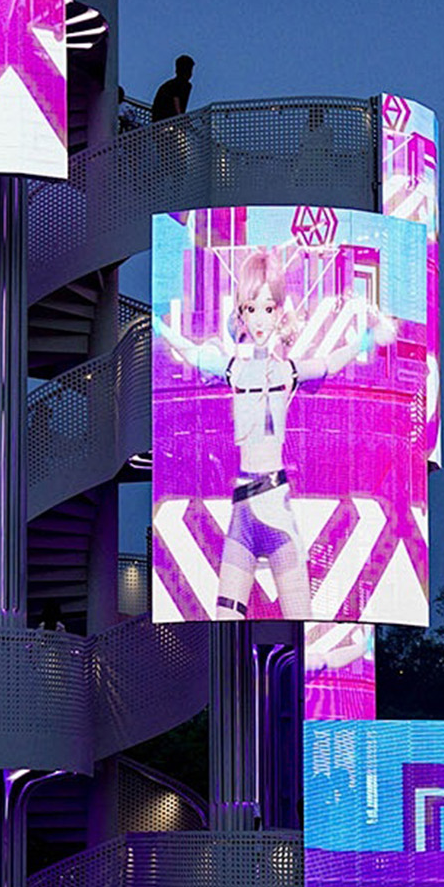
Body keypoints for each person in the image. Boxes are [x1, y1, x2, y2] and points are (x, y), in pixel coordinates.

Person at [154, 247, 396, 622]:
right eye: (251, 308)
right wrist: (161, 328)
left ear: (280, 310)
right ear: (241, 312)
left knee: (300, 617)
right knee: (225, 621)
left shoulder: (287, 371)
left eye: (268, 308)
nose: (260, 318)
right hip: (243, 508)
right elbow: (194, 354)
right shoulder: (234, 369)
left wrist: (368, 340)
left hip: (275, 506)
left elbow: (330, 363)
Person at [150, 55, 195, 121]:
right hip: (165, 118)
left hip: (163, 119)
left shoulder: (170, 84)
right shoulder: (180, 85)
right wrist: (180, 117)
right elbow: (176, 99)